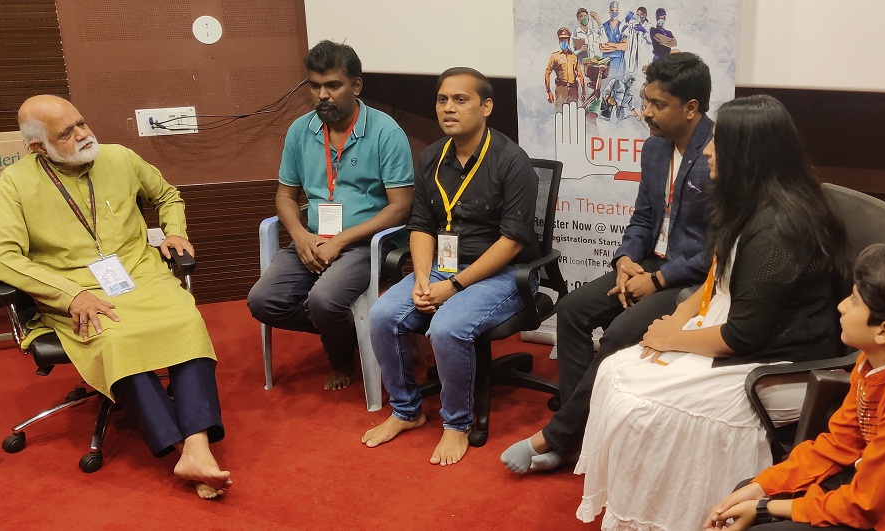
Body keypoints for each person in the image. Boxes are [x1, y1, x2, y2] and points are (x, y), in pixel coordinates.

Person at [575, 94, 850, 530]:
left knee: (639, 401)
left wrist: (671, 339)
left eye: (718, 142)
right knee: (615, 372)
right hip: (746, 336)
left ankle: (683, 515)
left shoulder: (778, 230)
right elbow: (715, 280)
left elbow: (743, 337)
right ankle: (652, 507)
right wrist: (680, 316)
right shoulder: (750, 203)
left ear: (749, 155)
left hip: (785, 364)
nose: (706, 150)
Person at [0, 95, 231, 499]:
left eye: (81, 122)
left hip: (141, 274)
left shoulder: (120, 158)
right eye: (67, 133)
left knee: (185, 321)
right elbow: (3, 259)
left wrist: (175, 230)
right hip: (74, 291)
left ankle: (196, 447)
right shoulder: (16, 184)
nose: (83, 134)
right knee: (118, 337)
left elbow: (168, 196)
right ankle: (185, 447)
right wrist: (69, 294)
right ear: (37, 147)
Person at [502, 52, 713, 475]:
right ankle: (583, 432)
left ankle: (562, 435)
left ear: (691, 108)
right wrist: (624, 260)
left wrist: (657, 280)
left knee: (619, 332)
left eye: (658, 105)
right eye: (646, 100)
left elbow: (718, 247)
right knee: (574, 310)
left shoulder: (718, 152)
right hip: (648, 262)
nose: (646, 112)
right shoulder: (654, 148)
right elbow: (643, 217)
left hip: (694, 279)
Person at [705, 246, 885, 531]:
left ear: (884, 331)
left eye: (854, 300)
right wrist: (761, 488)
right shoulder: (873, 361)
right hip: (879, 489)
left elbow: (865, 505)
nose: (841, 305)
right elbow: (841, 443)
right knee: (751, 489)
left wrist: (766, 509)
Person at [361, 67, 540, 467]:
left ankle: (456, 423)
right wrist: (423, 278)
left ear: (486, 106)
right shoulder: (431, 156)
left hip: (503, 273)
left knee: (446, 326)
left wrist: (454, 287)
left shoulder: (512, 161)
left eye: (461, 100)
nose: (448, 108)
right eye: (443, 99)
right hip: (442, 268)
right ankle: (407, 412)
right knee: (382, 315)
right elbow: (421, 225)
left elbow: (512, 242)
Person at [246, 40, 414, 391]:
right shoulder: (299, 131)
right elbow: (285, 196)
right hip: (311, 239)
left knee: (324, 301)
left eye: (333, 85)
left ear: (355, 85)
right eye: (315, 86)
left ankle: (339, 356)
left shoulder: (386, 132)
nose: (322, 95)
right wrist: (300, 235)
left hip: (365, 243)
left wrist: (340, 240)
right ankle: (356, 332)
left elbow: (401, 206)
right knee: (263, 302)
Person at [545, 27, 586, 110]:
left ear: (569, 40)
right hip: (561, 89)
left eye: (566, 39)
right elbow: (547, 72)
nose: (563, 42)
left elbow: (580, 74)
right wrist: (549, 91)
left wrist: (583, 91)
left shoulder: (574, 57)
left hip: (573, 89)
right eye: (561, 40)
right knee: (560, 113)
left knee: (573, 113)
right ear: (559, 41)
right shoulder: (555, 56)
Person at [600, 1, 629, 80]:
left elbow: (625, 46)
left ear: (619, 11)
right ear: (609, 11)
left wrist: (609, 44)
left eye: (616, 10)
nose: (614, 12)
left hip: (619, 61)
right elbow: (602, 47)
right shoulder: (604, 26)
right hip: (606, 61)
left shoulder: (623, 27)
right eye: (612, 10)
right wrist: (617, 46)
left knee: (618, 85)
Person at [624, 7, 654, 75]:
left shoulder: (650, 26)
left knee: (643, 76)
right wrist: (626, 21)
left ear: (645, 14)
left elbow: (652, 41)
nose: (639, 16)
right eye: (637, 14)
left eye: (641, 14)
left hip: (644, 56)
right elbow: (623, 32)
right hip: (633, 56)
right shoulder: (633, 26)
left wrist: (644, 31)